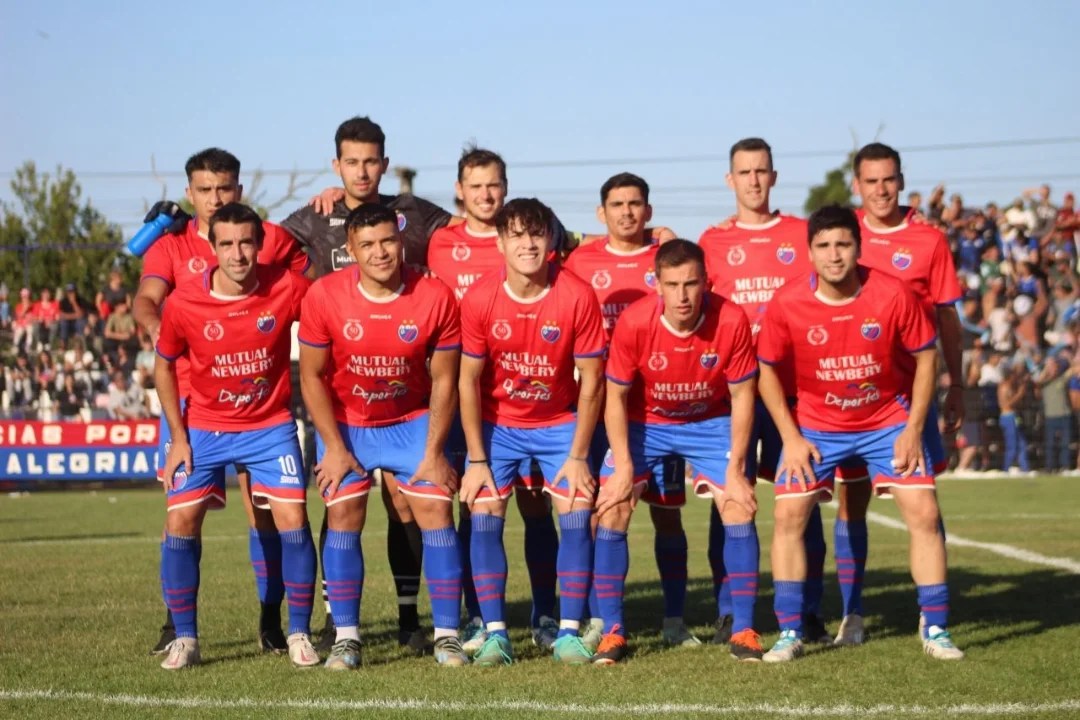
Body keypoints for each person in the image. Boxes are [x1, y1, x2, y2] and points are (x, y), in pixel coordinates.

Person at [756, 205, 963, 662]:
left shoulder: (892, 294)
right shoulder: (788, 301)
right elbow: (766, 369)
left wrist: (912, 429)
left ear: (859, 247)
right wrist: (790, 436)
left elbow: (926, 357)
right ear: (808, 252)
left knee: (925, 512)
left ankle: (936, 627)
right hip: (815, 426)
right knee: (789, 517)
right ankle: (789, 632)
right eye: (825, 246)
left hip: (885, 421)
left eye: (843, 245)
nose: (835, 256)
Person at [281, 116, 453, 653]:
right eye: (350, 162)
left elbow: (485, 232)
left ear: (384, 162)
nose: (361, 171)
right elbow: (246, 246)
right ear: (337, 166)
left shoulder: (419, 217)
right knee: (342, 509)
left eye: (370, 161)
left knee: (419, 506)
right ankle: (342, 630)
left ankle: (428, 626)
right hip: (346, 413)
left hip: (408, 406)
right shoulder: (316, 219)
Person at [134, 147, 309, 655]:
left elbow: (312, 281)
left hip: (260, 406)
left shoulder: (267, 237)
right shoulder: (169, 244)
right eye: (205, 191)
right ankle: (177, 625)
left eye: (224, 189)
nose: (215, 199)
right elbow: (146, 299)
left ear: (239, 191)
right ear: (189, 194)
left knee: (268, 514)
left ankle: (273, 620)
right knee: (182, 514)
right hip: (190, 403)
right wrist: (166, 334)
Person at [298, 203, 467, 669]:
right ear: (350, 249)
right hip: (349, 424)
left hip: (410, 420)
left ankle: (447, 636)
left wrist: (434, 452)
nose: (380, 252)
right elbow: (311, 377)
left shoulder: (435, 295)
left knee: (435, 507)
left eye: (388, 241)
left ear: (401, 240)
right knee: (345, 512)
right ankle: (347, 639)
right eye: (367, 244)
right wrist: (332, 447)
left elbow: (447, 380)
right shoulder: (323, 295)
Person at [594, 239, 761, 664]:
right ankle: (612, 632)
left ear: (707, 281)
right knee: (611, 506)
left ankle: (743, 629)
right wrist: (624, 464)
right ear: (657, 284)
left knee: (739, 504)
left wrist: (738, 467)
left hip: (709, 423)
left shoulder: (732, 318)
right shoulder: (634, 322)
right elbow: (614, 397)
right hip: (644, 423)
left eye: (691, 284)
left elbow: (743, 396)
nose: (683, 295)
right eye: (673, 284)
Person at [827, 142, 965, 645]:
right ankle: (852, 613)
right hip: (852, 400)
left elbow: (947, 319)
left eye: (889, 179)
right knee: (851, 499)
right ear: (857, 186)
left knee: (924, 503)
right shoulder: (842, 237)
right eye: (871, 181)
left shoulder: (929, 240)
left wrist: (958, 384)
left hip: (914, 398)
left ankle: (933, 617)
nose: (881, 189)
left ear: (900, 181)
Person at [457, 198, 605, 666]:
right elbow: (467, 381)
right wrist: (477, 459)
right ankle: (497, 634)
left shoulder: (577, 295)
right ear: (500, 242)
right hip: (498, 425)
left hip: (558, 421)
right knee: (485, 514)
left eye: (536, 233)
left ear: (550, 241)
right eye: (517, 235)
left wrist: (579, 454)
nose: (528, 244)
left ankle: (566, 632)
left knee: (577, 512)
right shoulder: (480, 297)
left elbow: (593, 382)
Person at [427, 146, 561, 655]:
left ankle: (545, 612)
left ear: (505, 187)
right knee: (472, 504)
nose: (486, 194)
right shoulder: (436, 240)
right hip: (461, 394)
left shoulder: (533, 229)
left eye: (494, 185)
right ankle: (477, 617)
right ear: (460, 190)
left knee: (534, 505)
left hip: (522, 399)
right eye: (475, 186)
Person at [697, 137, 830, 645]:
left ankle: (808, 609)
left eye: (762, 171)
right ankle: (732, 609)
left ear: (774, 176)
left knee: (801, 500)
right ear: (730, 180)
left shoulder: (801, 233)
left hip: (792, 393)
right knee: (729, 498)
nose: (753, 180)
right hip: (730, 395)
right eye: (744, 172)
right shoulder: (711, 241)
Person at [565, 172, 702, 649]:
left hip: (657, 408)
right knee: (598, 511)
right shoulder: (580, 261)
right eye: (617, 204)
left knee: (667, 515)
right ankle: (602, 620)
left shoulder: (666, 256)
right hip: (598, 402)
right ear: (601, 214)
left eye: (635, 203)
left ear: (649, 210)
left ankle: (674, 619)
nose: (627, 211)